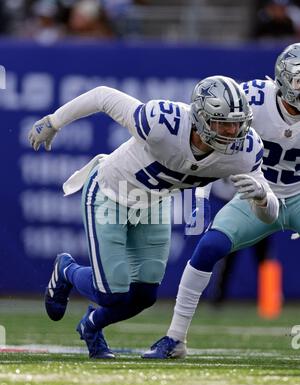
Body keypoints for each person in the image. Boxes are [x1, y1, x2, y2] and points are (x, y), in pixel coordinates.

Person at [28, 75, 278, 359]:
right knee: (112, 293)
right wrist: (54, 121)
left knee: (144, 296)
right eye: (223, 122)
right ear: (199, 117)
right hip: (111, 191)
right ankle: (66, 270)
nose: (232, 131)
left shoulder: (245, 151)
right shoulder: (163, 123)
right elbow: (102, 95)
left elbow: (269, 217)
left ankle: (91, 326)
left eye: (238, 122)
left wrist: (262, 196)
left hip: (155, 203)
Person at [143, 42, 300, 359]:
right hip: (254, 192)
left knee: (261, 259)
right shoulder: (254, 98)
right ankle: (175, 338)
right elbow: (213, 126)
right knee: (210, 248)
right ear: (284, 79)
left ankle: (268, 302)